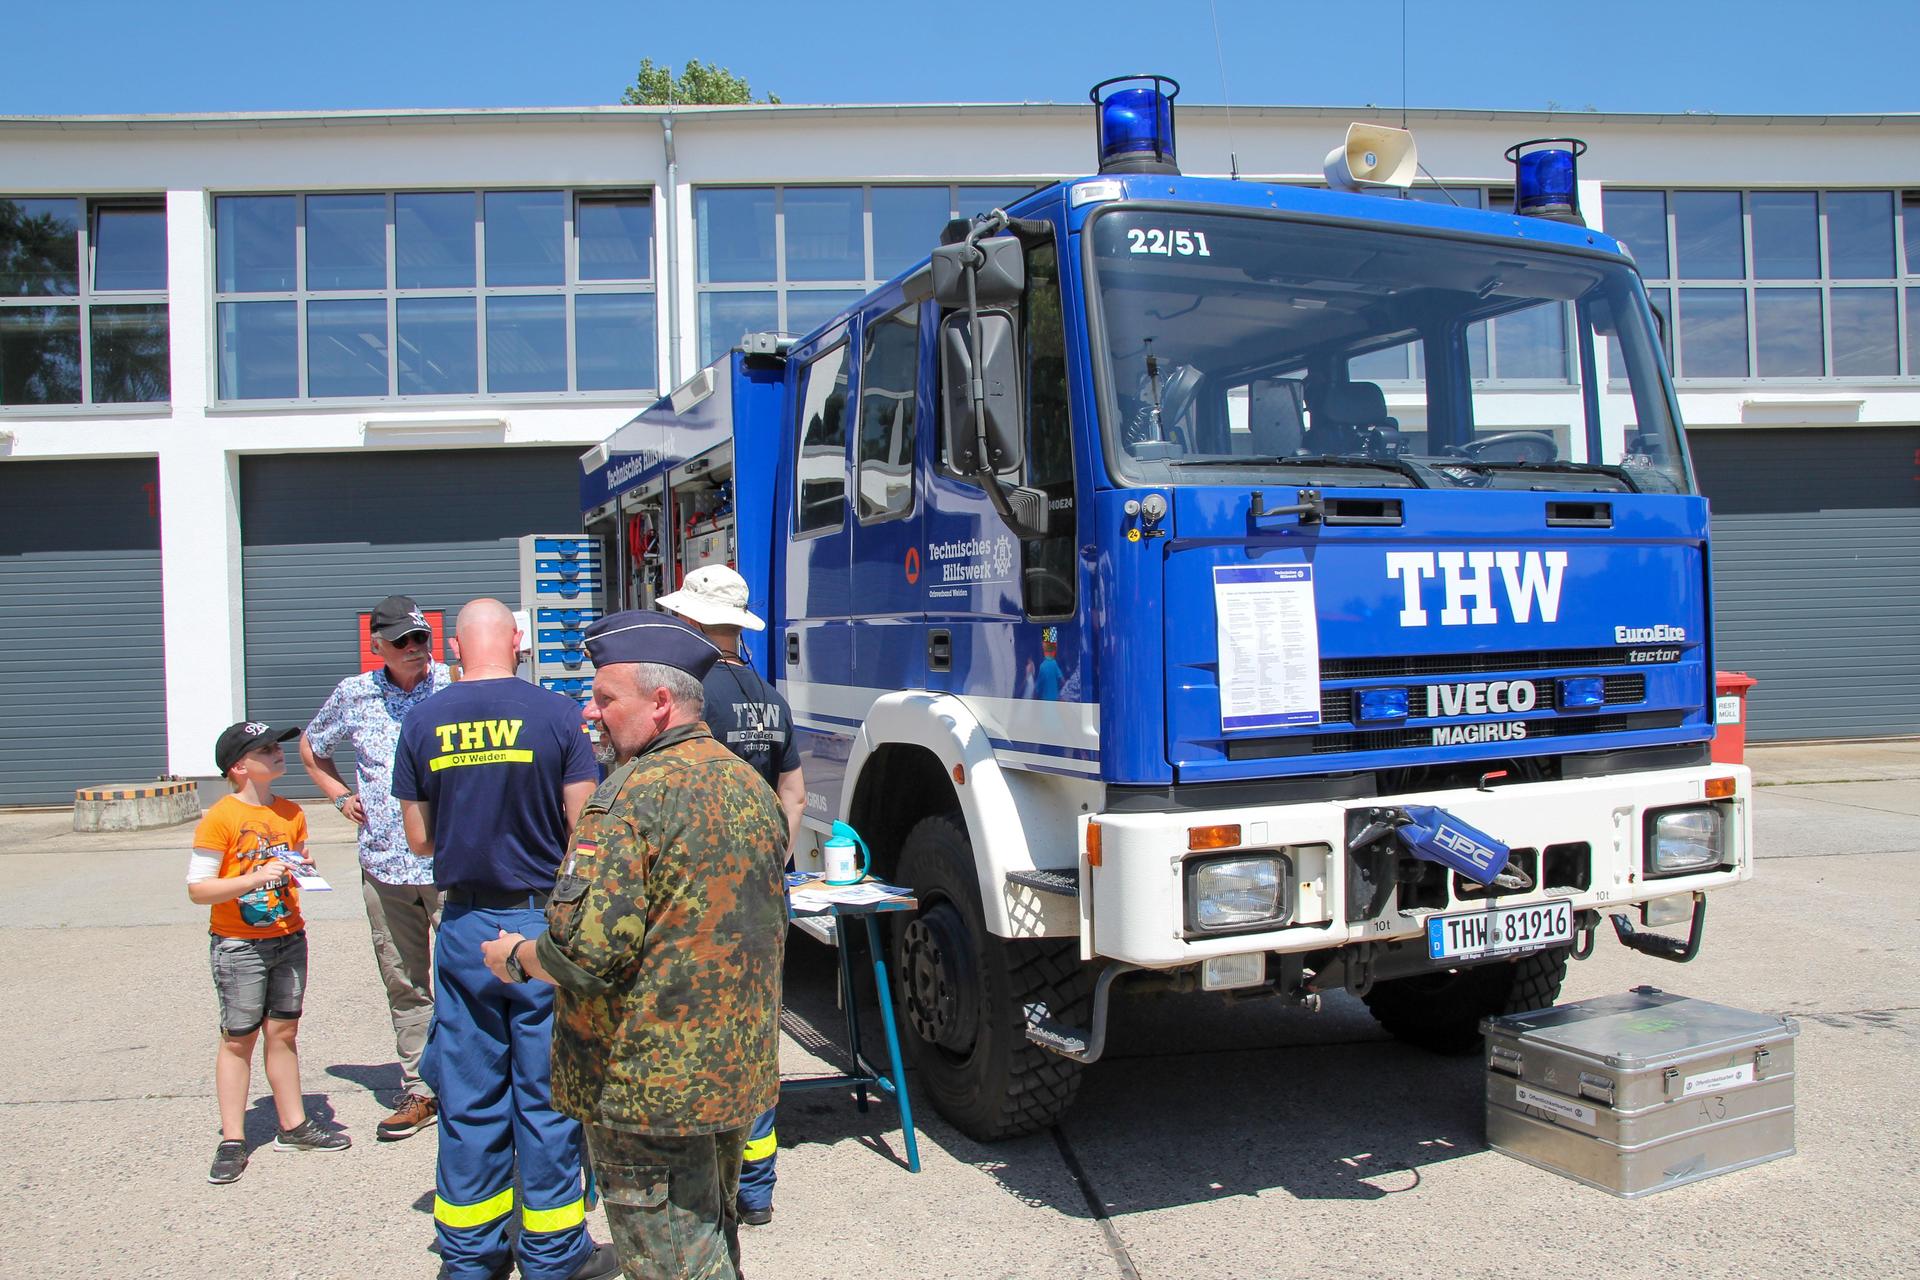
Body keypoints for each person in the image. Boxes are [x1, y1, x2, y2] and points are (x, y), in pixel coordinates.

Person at [480, 611, 787, 1280]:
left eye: (603, 698)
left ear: (658, 704)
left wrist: (518, 957)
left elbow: (589, 954)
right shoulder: (748, 787)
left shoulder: (629, 799)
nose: (591, 713)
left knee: (674, 1264)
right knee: (710, 1239)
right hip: (731, 1074)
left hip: (649, 1089)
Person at [392, 599, 616, 1280]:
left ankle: (471, 1255)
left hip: (462, 926)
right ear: (518, 640)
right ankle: (552, 1254)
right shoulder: (559, 715)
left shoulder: (421, 720)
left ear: (456, 649)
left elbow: (418, 839)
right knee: (549, 1097)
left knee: (468, 1095)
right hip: (540, 927)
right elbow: (587, 831)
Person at [655, 565, 802, 1227]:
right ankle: (759, 1189)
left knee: (696, 1041)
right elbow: (792, 795)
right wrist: (772, 860)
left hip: (700, 900)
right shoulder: (770, 697)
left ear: (689, 621)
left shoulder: (690, 696)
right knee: (756, 1038)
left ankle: (705, 1185)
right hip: (764, 893)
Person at [301, 594, 451, 1142]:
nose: (416, 650)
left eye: (422, 639)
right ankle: (421, 1089)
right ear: (377, 646)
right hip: (385, 866)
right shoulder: (354, 694)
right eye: (404, 642)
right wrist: (339, 795)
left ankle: (473, 1085)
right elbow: (312, 746)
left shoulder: (453, 689)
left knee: (469, 975)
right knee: (406, 982)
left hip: (448, 863)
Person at [190, 720, 351, 1184]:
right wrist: (255, 878)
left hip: (288, 936)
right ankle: (233, 1139)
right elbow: (199, 889)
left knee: (283, 1033)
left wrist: (302, 868)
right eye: (263, 750)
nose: (276, 753)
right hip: (239, 943)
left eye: (276, 746)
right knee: (239, 1038)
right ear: (239, 766)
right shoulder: (220, 817)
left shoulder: (290, 813)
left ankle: (294, 1125)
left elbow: (289, 863)